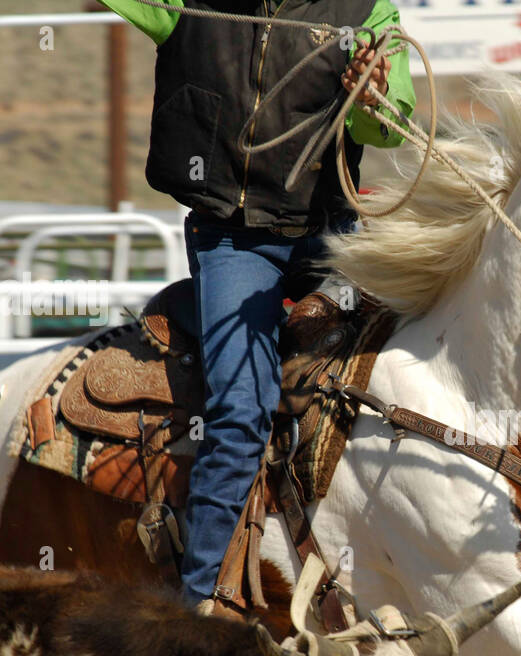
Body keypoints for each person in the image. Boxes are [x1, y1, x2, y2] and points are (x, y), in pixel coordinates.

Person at [99, 0, 415, 612]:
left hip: (333, 235)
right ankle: (198, 605)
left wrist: (374, 97)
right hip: (236, 239)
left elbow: (388, 126)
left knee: (412, 365)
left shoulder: (367, 11)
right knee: (241, 411)